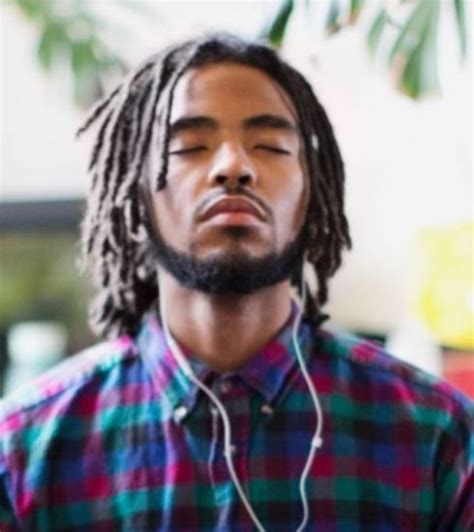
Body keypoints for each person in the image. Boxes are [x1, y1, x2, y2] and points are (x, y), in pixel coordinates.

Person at [0, 33, 472, 531]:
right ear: (135, 197)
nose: (233, 167)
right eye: (189, 147)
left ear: (312, 195)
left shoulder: (437, 435)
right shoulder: (22, 451)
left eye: (270, 146)